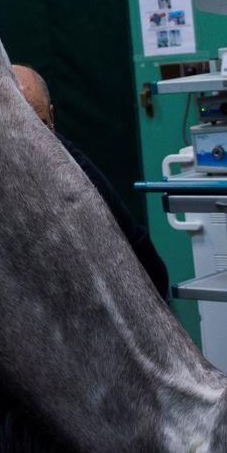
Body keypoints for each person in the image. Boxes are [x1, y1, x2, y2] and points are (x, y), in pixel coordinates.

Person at [13, 63, 170, 297]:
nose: (35, 142)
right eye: (22, 130)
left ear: (52, 117)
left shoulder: (73, 166)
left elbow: (135, 242)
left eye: (41, 126)